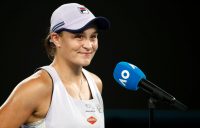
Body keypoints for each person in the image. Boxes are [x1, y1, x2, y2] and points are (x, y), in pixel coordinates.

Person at [0, 3, 110, 128]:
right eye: (79, 36)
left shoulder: (96, 83)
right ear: (56, 38)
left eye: (93, 37)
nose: (89, 45)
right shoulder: (38, 87)